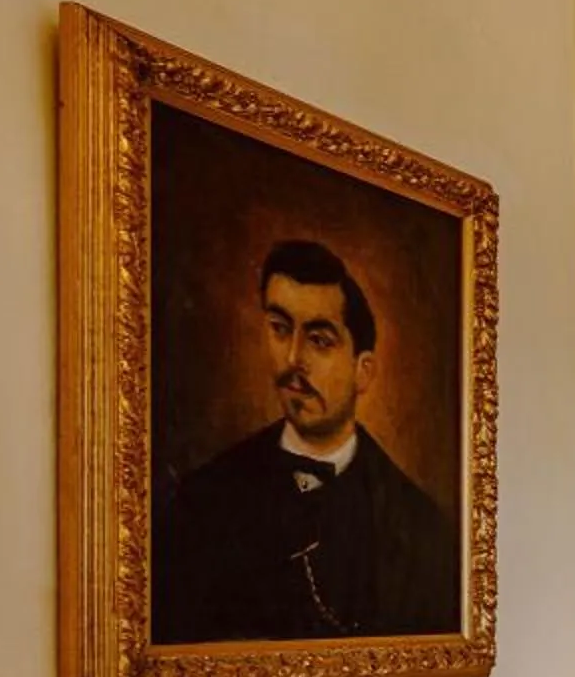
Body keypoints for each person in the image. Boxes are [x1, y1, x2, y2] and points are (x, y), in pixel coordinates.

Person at [152, 240, 461, 643]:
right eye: (280, 329)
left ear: (362, 371)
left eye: (319, 339)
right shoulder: (203, 500)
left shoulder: (421, 529)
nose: (293, 358)